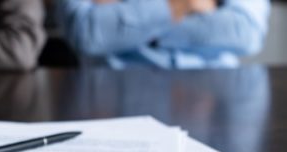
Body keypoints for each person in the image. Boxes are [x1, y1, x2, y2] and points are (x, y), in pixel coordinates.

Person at [56, 0, 270, 69]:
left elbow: (246, 32)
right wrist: (182, 5)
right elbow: (86, 32)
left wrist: (138, 19)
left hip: (215, 96)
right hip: (116, 90)